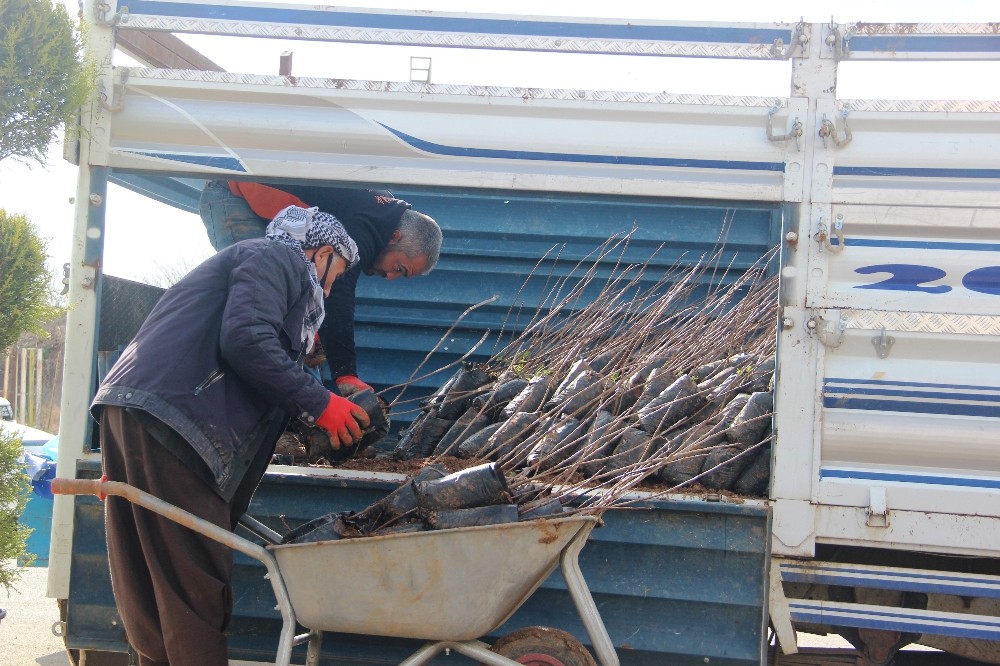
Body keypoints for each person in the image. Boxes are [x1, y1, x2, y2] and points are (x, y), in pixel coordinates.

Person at [91, 205, 371, 666]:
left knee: (155, 588)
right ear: (320, 253)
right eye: (334, 274)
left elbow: (256, 361)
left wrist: (309, 411)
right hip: (174, 419)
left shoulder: (252, 265)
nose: (329, 288)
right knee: (193, 586)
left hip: (142, 411)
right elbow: (245, 339)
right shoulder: (276, 259)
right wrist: (321, 404)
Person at [199, 180, 443, 398]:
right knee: (262, 298)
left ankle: (297, 417)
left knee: (295, 323)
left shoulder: (381, 214)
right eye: (399, 268)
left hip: (265, 212)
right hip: (235, 194)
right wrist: (345, 373)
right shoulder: (369, 223)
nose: (390, 277)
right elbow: (339, 289)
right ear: (395, 237)